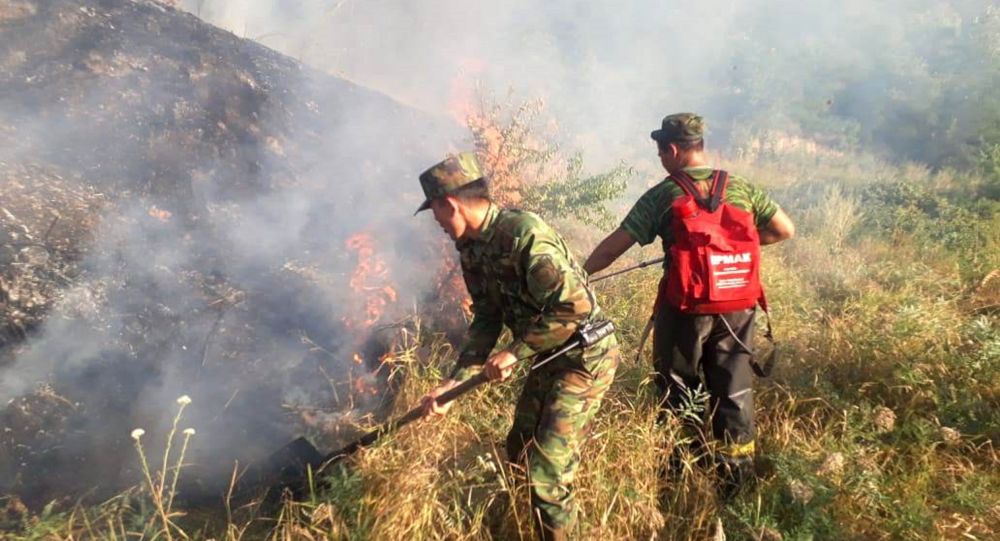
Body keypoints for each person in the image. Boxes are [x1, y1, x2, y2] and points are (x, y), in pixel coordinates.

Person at [583, 113, 795, 493]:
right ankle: (736, 482)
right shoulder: (741, 187)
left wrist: (580, 275)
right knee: (734, 389)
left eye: (661, 151)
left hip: (684, 309)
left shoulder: (665, 194)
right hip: (738, 306)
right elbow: (784, 229)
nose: (661, 159)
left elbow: (616, 245)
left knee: (677, 387)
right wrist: (727, 249)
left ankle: (681, 477)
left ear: (675, 149)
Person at [416, 152, 619, 541]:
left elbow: (575, 307)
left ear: (449, 204)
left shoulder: (523, 234)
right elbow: (488, 318)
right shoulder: (471, 248)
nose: (437, 224)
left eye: (435, 213)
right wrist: (454, 385)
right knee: (520, 448)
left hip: (585, 356)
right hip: (549, 356)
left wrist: (515, 351)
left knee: (546, 470)